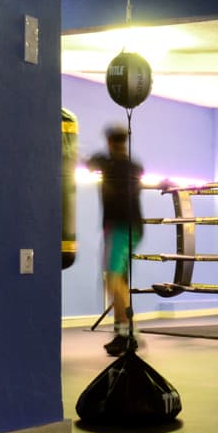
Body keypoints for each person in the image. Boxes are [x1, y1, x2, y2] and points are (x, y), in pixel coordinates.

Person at [86, 124, 144, 356]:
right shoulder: (135, 166)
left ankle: (126, 332)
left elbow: (88, 164)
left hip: (118, 228)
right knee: (119, 279)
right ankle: (126, 331)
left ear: (110, 141)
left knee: (112, 280)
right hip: (135, 228)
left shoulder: (106, 163)